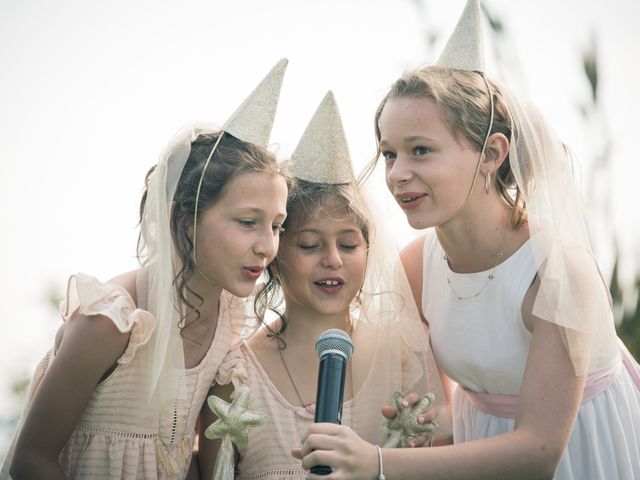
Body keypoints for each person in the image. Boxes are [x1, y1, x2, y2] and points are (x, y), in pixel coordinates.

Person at [293, 2, 640, 479]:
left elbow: (538, 451)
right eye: (390, 154)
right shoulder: (417, 265)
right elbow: (441, 402)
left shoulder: (557, 273)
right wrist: (422, 418)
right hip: (476, 451)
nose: (397, 174)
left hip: (578, 453)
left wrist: (375, 462)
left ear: (492, 154)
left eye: (421, 151)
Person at [1, 59, 290, 480]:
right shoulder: (115, 321)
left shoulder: (230, 323)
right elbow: (31, 460)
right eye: (247, 222)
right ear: (183, 218)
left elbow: (181, 455)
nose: (267, 246)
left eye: (276, 226)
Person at [198, 92, 448, 479]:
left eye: (349, 244)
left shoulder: (401, 357)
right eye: (310, 245)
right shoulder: (237, 375)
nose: (332, 259)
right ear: (276, 252)